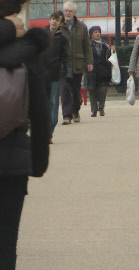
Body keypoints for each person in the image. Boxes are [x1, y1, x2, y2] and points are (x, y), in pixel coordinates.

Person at [0, 1, 50, 269]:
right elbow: (40, 113)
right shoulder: (28, 50)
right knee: (6, 243)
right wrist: (38, 162)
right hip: (13, 160)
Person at [60, 1, 93, 124]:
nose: (67, 13)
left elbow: (87, 47)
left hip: (77, 64)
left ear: (75, 13)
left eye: (70, 11)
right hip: (63, 65)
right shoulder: (59, 26)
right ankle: (66, 116)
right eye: (65, 11)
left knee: (75, 90)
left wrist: (89, 61)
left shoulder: (82, 27)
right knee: (64, 90)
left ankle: (75, 111)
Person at [44, 11, 73, 144]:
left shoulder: (62, 39)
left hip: (54, 74)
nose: (54, 22)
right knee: (41, 103)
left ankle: (49, 133)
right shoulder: (41, 35)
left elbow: (66, 58)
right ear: (49, 20)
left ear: (61, 24)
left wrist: (69, 74)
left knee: (53, 103)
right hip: (40, 74)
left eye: (57, 20)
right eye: (53, 19)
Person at [85, 26, 113, 117]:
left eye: (99, 32)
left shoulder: (105, 46)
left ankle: (101, 107)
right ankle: (94, 110)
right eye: (95, 32)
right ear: (91, 34)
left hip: (103, 71)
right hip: (91, 71)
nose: (97, 34)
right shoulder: (88, 45)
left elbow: (109, 59)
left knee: (103, 90)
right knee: (92, 90)